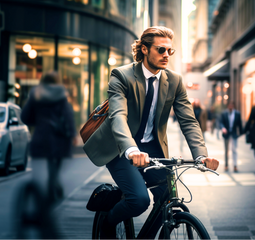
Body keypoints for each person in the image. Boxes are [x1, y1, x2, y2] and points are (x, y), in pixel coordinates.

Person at [82, 26, 219, 240]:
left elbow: (189, 120)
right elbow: (118, 116)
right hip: (121, 148)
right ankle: (108, 222)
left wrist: (201, 155)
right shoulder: (122, 75)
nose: (166, 55)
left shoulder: (174, 81)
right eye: (161, 50)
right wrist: (131, 150)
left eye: (169, 51)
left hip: (152, 149)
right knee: (139, 200)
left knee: (167, 196)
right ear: (144, 49)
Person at [21, 71, 76, 204]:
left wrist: (37, 122)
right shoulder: (62, 95)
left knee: (39, 169)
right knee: (54, 165)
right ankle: (53, 187)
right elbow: (68, 116)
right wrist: (73, 134)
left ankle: (41, 192)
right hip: (59, 138)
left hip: (41, 135)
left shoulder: (36, 94)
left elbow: (25, 116)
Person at [219, 102, 243, 172]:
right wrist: (223, 128)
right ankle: (226, 165)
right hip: (226, 134)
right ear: (227, 106)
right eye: (229, 106)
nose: (230, 107)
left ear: (233, 106)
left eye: (232, 106)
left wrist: (241, 133)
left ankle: (235, 165)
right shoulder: (224, 113)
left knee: (234, 150)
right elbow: (221, 122)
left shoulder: (237, 113)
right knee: (226, 150)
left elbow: (240, 124)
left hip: (234, 133)